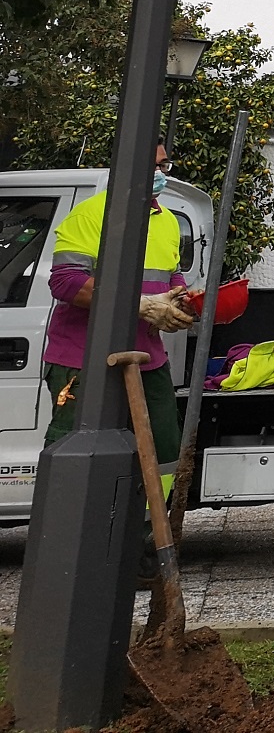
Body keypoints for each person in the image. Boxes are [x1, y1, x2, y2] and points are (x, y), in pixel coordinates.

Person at [46, 143, 196, 584]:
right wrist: (140, 304)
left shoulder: (166, 222)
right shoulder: (92, 214)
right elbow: (67, 282)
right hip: (84, 359)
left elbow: (170, 282)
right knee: (75, 449)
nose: (161, 173)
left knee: (164, 453)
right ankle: (69, 551)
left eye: (163, 165)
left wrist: (177, 303)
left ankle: (145, 548)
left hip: (148, 358)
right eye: (153, 165)